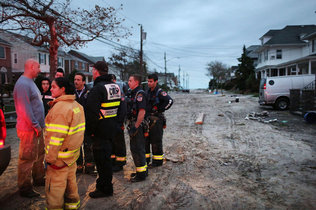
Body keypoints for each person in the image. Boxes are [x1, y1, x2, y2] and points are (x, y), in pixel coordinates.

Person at [44, 77, 85, 209]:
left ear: (63, 89)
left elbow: (55, 138)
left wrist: (50, 159)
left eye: (53, 87)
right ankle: (72, 206)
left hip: (58, 159)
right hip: (71, 157)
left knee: (54, 190)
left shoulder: (60, 109)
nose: (50, 89)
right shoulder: (77, 106)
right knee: (71, 185)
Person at [85, 61, 123, 198]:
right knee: (106, 159)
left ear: (96, 71)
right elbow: (122, 108)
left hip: (100, 131)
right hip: (111, 129)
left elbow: (91, 113)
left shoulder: (97, 89)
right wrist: (116, 125)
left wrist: (90, 132)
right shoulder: (115, 87)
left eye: (93, 70)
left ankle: (105, 188)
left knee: (102, 161)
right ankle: (105, 186)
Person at [13, 59, 45, 198]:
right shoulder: (22, 85)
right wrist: (36, 125)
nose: (39, 70)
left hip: (36, 128)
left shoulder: (30, 82)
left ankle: (38, 179)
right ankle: (25, 187)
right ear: (31, 67)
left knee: (39, 155)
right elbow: (24, 109)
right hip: (28, 129)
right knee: (27, 158)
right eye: (38, 67)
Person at [146, 74, 173, 167]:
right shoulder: (148, 91)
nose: (149, 83)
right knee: (146, 140)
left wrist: (160, 109)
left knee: (156, 141)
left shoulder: (159, 92)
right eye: (148, 81)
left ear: (156, 81)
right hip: (148, 119)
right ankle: (146, 161)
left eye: (151, 81)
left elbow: (170, 101)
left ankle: (157, 162)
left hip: (157, 120)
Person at [126, 75, 147, 182]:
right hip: (133, 123)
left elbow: (142, 112)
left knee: (137, 149)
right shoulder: (133, 93)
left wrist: (136, 126)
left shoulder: (140, 94)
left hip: (137, 124)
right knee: (137, 149)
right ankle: (142, 171)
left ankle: (141, 175)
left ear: (136, 82)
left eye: (130, 81)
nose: (128, 82)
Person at [74, 72, 94, 174]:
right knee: (76, 146)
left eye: (78, 80)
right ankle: (79, 167)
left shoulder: (89, 93)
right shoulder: (72, 94)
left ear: (83, 81)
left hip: (87, 124)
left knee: (88, 145)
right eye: (75, 80)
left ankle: (90, 167)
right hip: (76, 125)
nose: (76, 82)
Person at [110, 74, 127, 172]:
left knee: (119, 143)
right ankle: (113, 161)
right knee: (111, 143)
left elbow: (123, 109)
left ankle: (120, 163)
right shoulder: (109, 92)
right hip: (110, 122)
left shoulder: (119, 91)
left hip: (117, 122)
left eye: (112, 81)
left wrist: (120, 122)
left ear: (115, 81)